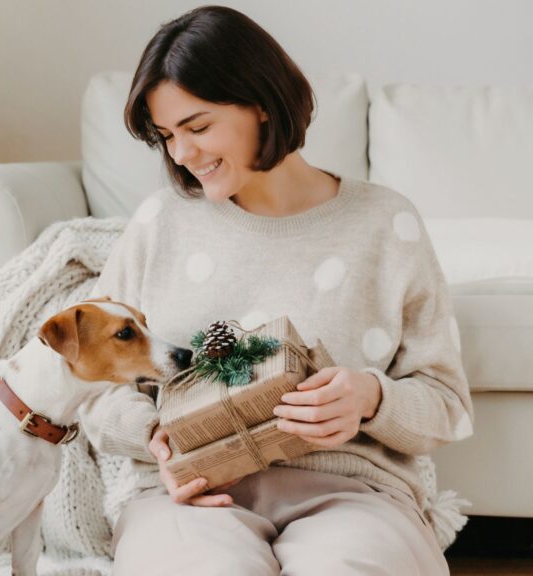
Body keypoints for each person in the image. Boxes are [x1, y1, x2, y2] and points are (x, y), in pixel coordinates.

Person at [78, 6, 473, 575]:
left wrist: (370, 399)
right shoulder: (158, 222)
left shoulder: (386, 223)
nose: (181, 155)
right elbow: (94, 387)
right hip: (189, 496)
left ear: (262, 102)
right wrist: (157, 438)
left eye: (197, 126)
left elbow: (447, 405)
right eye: (166, 136)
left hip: (353, 495)